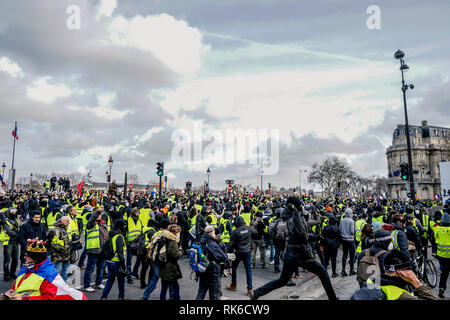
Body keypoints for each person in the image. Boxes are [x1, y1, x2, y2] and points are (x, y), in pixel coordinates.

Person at [250, 197, 337, 301]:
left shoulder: (293, 218)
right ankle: (333, 299)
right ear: (296, 206)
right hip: (302, 255)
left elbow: (302, 234)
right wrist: (296, 213)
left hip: (291, 255)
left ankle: (256, 293)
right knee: (322, 272)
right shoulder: (293, 219)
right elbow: (300, 233)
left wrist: (315, 237)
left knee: (282, 280)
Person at [351, 250, 436, 300]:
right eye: (409, 269)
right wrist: (417, 283)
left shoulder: (372, 280)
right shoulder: (400, 295)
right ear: (402, 272)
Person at [226, 215, 257, 296]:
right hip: (247, 252)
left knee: (234, 267)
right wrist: (248, 226)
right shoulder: (249, 228)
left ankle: (233, 284)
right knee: (248, 270)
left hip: (238, 252)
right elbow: (255, 233)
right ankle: (249, 289)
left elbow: (231, 244)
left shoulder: (235, 231)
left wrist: (227, 251)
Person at [196, 225, 228, 300]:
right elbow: (222, 257)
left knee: (201, 292)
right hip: (212, 271)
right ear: (211, 233)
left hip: (202, 268)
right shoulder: (212, 243)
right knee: (214, 294)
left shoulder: (201, 241)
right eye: (213, 232)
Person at [141, 218, 170, 300]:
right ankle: (167, 297)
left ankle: (145, 295)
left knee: (155, 277)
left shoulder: (156, 233)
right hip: (164, 260)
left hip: (155, 259)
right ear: (168, 226)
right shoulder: (168, 235)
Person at [101, 219, 128, 300]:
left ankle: (104, 297)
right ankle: (121, 296)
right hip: (117, 262)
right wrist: (123, 266)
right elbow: (120, 252)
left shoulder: (111, 234)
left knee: (110, 280)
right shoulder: (119, 236)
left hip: (110, 261)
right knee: (121, 281)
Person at [83, 210, 108, 292]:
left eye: (100, 215)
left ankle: (99, 283)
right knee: (90, 269)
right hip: (93, 250)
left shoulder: (103, 224)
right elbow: (92, 219)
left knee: (101, 268)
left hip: (102, 251)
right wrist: (97, 212)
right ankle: (87, 285)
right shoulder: (91, 224)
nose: (99, 216)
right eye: (97, 215)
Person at [158, 224, 184, 300]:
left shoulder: (164, 238)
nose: (179, 233)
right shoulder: (173, 242)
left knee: (164, 288)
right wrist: (181, 250)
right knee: (175, 287)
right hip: (170, 268)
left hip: (163, 266)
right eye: (179, 232)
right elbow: (175, 255)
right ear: (175, 232)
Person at [432, 212, 450, 299]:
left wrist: (434, 251)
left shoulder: (436, 229)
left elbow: (433, 240)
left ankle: (442, 287)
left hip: (441, 255)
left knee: (445, 273)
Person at [48, 216, 71, 283]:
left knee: (65, 270)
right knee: (56, 270)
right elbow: (54, 244)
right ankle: (52, 284)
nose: (68, 223)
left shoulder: (64, 229)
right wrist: (63, 249)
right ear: (62, 221)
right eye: (67, 221)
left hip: (66, 255)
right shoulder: (57, 230)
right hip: (58, 255)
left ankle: (65, 284)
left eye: (69, 221)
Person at [1, 208, 21, 281]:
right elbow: (9, 231)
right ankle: (6, 275)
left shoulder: (16, 220)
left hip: (16, 242)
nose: (14, 213)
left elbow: (20, 228)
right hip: (8, 243)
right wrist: (18, 234)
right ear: (8, 212)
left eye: (15, 212)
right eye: (12, 212)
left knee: (15, 259)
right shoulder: (5, 221)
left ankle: (12, 273)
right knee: (7, 260)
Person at [126, 208, 143, 284]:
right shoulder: (128, 220)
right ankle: (129, 276)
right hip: (130, 243)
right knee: (129, 261)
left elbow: (141, 230)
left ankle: (135, 272)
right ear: (133, 213)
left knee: (139, 258)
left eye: (138, 212)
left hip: (138, 243)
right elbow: (124, 232)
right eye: (136, 212)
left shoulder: (139, 221)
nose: (138, 214)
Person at [339, 208, 356, 276]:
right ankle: (351, 271)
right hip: (350, 240)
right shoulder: (351, 221)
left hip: (344, 240)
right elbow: (352, 231)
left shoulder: (342, 220)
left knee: (345, 254)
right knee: (352, 256)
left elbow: (340, 229)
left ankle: (343, 270)